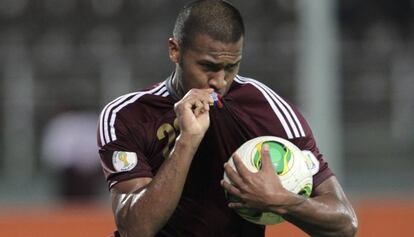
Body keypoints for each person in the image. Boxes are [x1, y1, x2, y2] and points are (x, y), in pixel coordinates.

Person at [97, 1, 358, 236]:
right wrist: (187, 141)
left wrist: (283, 200)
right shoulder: (126, 115)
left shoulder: (265, 110)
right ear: (175, 50)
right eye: (208, 66)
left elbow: (345, 223)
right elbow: (136, 228)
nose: (219, 81)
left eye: (231, 67)